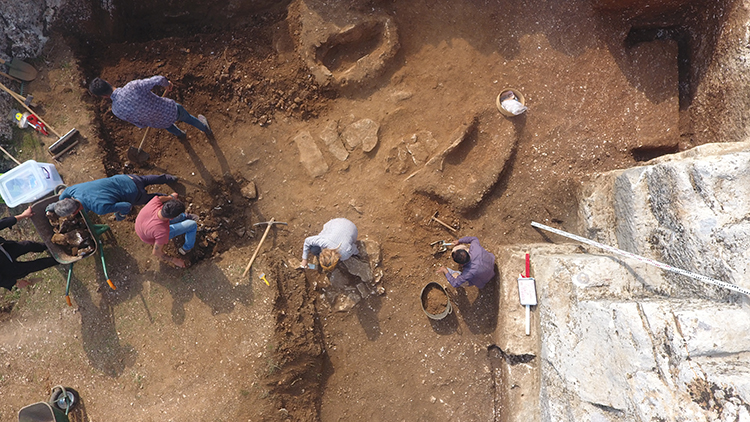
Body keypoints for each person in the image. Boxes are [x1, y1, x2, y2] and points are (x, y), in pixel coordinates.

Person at [89, 76, 212, 139]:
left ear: (104, 96)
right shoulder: (132, 86)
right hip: (171, 110)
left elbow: (139, 124)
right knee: (189, 118)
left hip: (158, 122)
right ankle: (205, 128)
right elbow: (159, 79)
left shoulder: (116, 111)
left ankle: (181, 135)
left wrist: (148, 120)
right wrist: (167, 84)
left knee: (169, 126)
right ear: (108, 82)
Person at [46, 174, 178, 221]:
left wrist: (120, 216)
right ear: (66, 199)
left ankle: (170, 198)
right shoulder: (72, 190)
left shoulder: (100, 209)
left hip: (134, 194)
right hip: (127, 178)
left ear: (75, 212)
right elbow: (61, 196)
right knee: (147, 179)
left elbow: (126, 206)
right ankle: (169, 178)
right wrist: (51, 208)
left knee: (152, 199)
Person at [0, 207, 59, 291]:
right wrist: (14, 282)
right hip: (6, 270)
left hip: (5, 249)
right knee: (33, 265)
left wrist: (23, 215)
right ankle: (58, 260)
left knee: (28, 245)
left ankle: (48, 246)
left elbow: (3, 223)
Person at [135, 193, 198, 268]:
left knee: (178, 217)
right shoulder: (163, 232)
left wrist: (170, 197)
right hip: (150, 236)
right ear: (171, 218)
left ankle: (183, 216)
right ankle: (186, 249)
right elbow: (156, 252)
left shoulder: (154, 202)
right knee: (192, 225)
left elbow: (159, 198)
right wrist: (174, 260)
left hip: (141, 225)